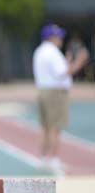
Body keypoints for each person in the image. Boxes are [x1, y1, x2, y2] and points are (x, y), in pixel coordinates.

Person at [32, 24, 89, 175]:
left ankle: (44, 158)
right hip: (55, 92)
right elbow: (63, 73)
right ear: (52, 37)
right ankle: (54, 159)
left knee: (45, 127)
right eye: (58, 36)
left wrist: (68, 59)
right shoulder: (52, 52)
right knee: (56, 127)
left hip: (43, 90)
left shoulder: (40, 51)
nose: (61, 39)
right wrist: (80, 62)